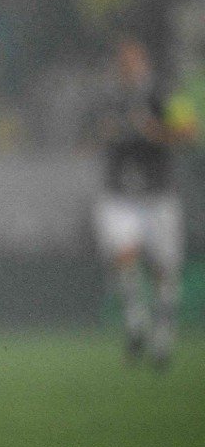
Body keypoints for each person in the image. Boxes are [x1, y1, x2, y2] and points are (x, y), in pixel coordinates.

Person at [90, 35, 197, 367]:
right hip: (119, 193)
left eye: (133, 59)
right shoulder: (107, 96)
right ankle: (136, 323)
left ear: (143, 62)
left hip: (159, 193)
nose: (127, 65)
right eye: (123, 59)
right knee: (124, 255)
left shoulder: (163, 92)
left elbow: (189, 131)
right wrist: (101, 134)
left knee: (164, 270)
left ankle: (163, 339)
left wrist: (154, 130)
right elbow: (90, 136)